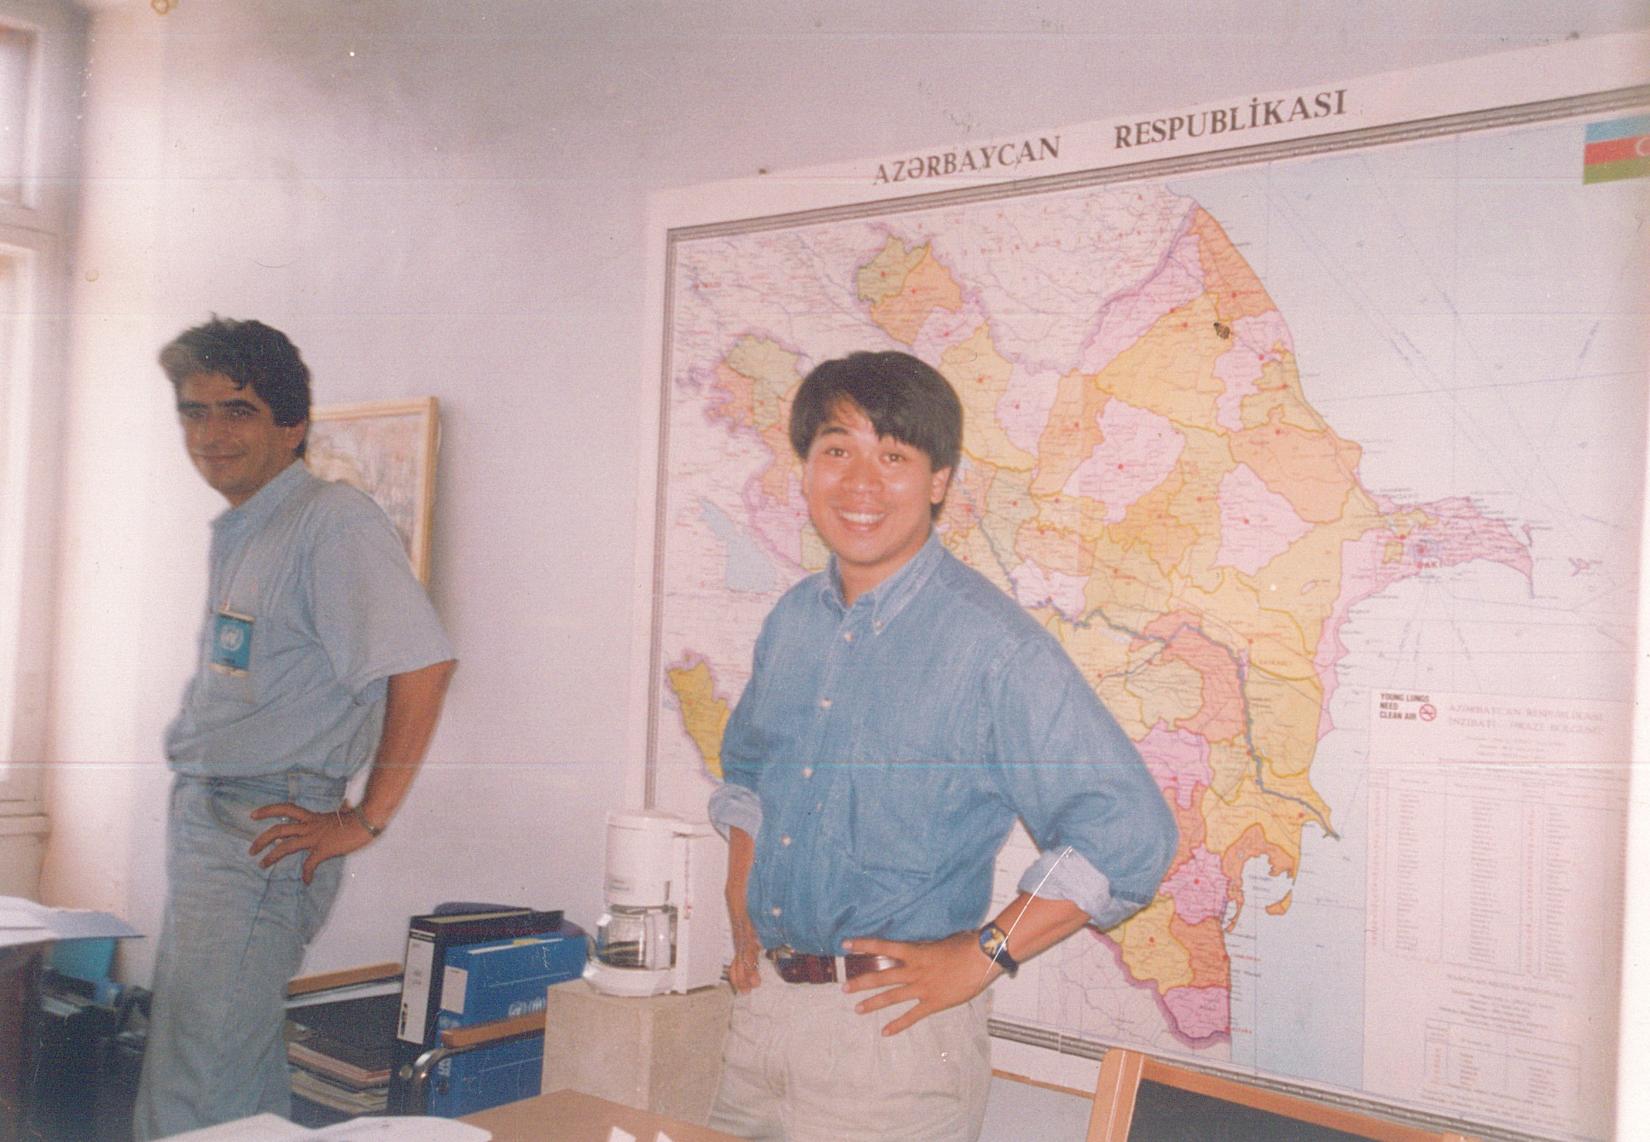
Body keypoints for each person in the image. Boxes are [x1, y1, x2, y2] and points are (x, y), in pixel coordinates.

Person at [706, 350, 1177, 1141]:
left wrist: (983, 952)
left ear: (939, 482)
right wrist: (740, 899)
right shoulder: (793, 621)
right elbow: (750, 771)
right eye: (837, 451)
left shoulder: (992, 648)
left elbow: (1128, 834)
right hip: (759, 1019)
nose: (860, 483)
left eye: (893, 456)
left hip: (888, 1044)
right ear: (806, 469)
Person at [135, 317, 457, 1138]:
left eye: (236, 410)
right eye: (194, 411)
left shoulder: (330, 522)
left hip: (263, 830)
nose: (210, 434)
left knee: (197, 1093)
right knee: (220, 1077)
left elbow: (423, 665)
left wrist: (363, 819)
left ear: (292, 424)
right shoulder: (251, 524)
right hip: (216, 821)